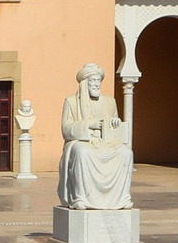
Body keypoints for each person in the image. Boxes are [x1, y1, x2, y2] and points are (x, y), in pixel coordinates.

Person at [57, 62, 133, 210]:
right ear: (85, 83)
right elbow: (66, 129)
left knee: (126, 153)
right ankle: (81, 198)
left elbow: (113, 126)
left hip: (106, 142)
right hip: (82, 140)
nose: (97, 84)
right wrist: (88, 125)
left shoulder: (110, 102)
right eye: (93, 80)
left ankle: (122, 198)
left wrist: (115, 122)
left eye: (99, 80)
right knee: (82, 152)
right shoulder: (71, 102)